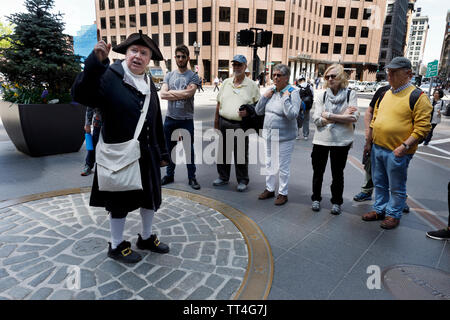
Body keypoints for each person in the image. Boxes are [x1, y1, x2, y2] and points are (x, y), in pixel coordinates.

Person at [71, 31, 170, 263]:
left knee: (151, 197)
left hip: (147, 154)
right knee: (119, 202)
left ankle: (145, 237)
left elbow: (155, 121)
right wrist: (95, 64)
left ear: (149, 59)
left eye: (143, 53)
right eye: (133, 51)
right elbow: (81, 94)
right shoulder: (108, 75)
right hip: (119, 154)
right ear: (126, 53)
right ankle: (116, 245)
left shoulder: (149, 83)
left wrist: (163, 153)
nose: (138, 56)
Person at [361, 57, 432, 229]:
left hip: (398, 151)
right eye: (389, 71)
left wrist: (404, 146)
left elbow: (423, 127)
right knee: (379, 182)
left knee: (396, 186)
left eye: (394, 72)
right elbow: (375, 118)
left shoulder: (418, 96)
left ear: (408, 74)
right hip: (378, 147)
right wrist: (369, 141)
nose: (389, 75)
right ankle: (380, 210)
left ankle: (393, 214)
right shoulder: (386, 93)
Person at [311, 64, 359, 215]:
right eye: (327, 76)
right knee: (318, 172)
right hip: (321, 140)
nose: (330, 79)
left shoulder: (350, 94)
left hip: (341, 142)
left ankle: (336, 201)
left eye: (333, 76)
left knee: (337, 174)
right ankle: (316, 198)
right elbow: (317, 120)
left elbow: (353, 118)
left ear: (342, 78)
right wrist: (342, 116)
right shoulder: (321, 95)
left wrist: (329, 116)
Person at [213, 55, 260, 192]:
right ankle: (223, 177)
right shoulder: (226, 82)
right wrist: (216, 121)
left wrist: (249, 112)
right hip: (224, 121)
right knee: (223, 153)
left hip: (240, 125)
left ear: (245, 67)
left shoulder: (252, 85)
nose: (236, 67)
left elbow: (258, 107)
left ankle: (242, 179)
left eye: (239, 65)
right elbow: (219, 103)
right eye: (234, 65)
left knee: (240, 154)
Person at [255, 64, 300, 205]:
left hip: (285, 137)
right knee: (268, 163)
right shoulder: (271, 91)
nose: (275, 77)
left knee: (283, 166)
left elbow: (292, 115)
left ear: (286, 78)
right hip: (269, 135)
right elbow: (258, 111)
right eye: (274, 75)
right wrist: (264, 97)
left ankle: (283, 193)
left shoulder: (293, 92)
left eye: (279, 75)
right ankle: (269, 189)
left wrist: (285, 99)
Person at [160, 45, 201, 190]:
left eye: (183, 56)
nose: (180, 59)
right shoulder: (169, 75)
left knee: (189, 150)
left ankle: (192, 177)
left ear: (188, 58)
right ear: (175, 58)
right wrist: (182, 92)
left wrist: (171, 93)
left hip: (186, 120)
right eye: (178, 56)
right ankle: (169, 175)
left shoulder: (193, 76)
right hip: (170, 119)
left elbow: (189, 94)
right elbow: (162, 94)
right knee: (169, 149)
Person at [81, 107, 102, 176]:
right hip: (99, 122)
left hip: (115, 122)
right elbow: (89, 107)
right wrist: (87, 124)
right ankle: (88, 165)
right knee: (94, 143)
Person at [296, 75, 314, 140]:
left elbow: (295, 97)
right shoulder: (310, 86)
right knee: (306, 120)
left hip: (299, 106)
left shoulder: (297, 87)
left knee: (297, 120)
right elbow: (313, 95)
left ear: (299, 80)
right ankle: (305, 135)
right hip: (307, 106)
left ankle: (297, 135)